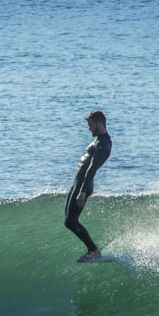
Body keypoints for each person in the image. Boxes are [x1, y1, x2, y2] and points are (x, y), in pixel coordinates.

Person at [65, 110, 112, 262]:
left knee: (71, 221)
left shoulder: (104, 144)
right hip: (78, 183)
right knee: (68, 220)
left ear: (100, 124)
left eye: (91, 125)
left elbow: (92, 168)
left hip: (83, 185)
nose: (89, 128)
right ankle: (92, 249)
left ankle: (93, 250)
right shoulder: (99, 139)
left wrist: (82, 192)